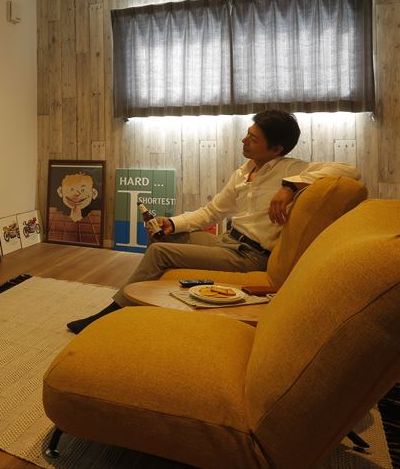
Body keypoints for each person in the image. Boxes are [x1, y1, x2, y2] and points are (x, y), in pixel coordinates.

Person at [67, 109, 360, 334]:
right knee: (161, 236)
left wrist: (291, 186)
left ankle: (112, 313)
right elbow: (212, 212)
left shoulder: (291, 169)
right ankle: (144, 304)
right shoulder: (244, 172)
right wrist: (172, 223)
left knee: (159, 252)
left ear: (276, 149)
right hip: (227, 242)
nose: (244, 140)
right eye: (247, 134)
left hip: (250, 256)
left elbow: (350, 171)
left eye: (253, 138)